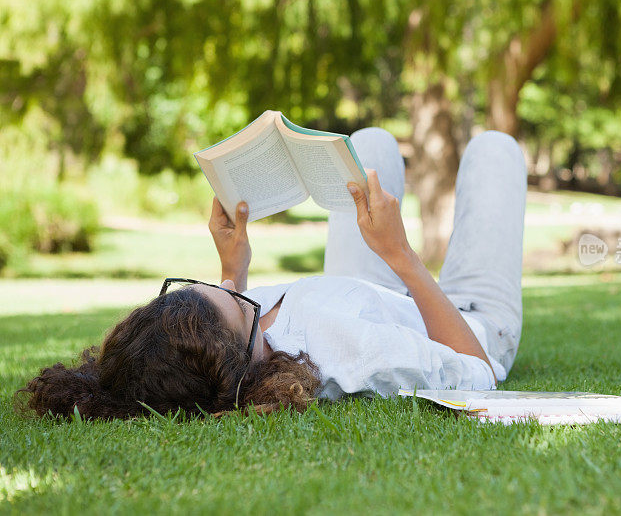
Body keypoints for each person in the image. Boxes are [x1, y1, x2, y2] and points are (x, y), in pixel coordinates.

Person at [17, 128, 527, 420]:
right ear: (245, 360)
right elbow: (477, 372)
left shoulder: (227, 336)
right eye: (237, 301)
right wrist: (402, 258)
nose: (235, 290)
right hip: (466, 319)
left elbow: (225, 311)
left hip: (370, 296)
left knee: (367, 144)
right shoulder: (356, 356)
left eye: (214, 289)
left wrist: (231, 266)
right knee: (494, 151)